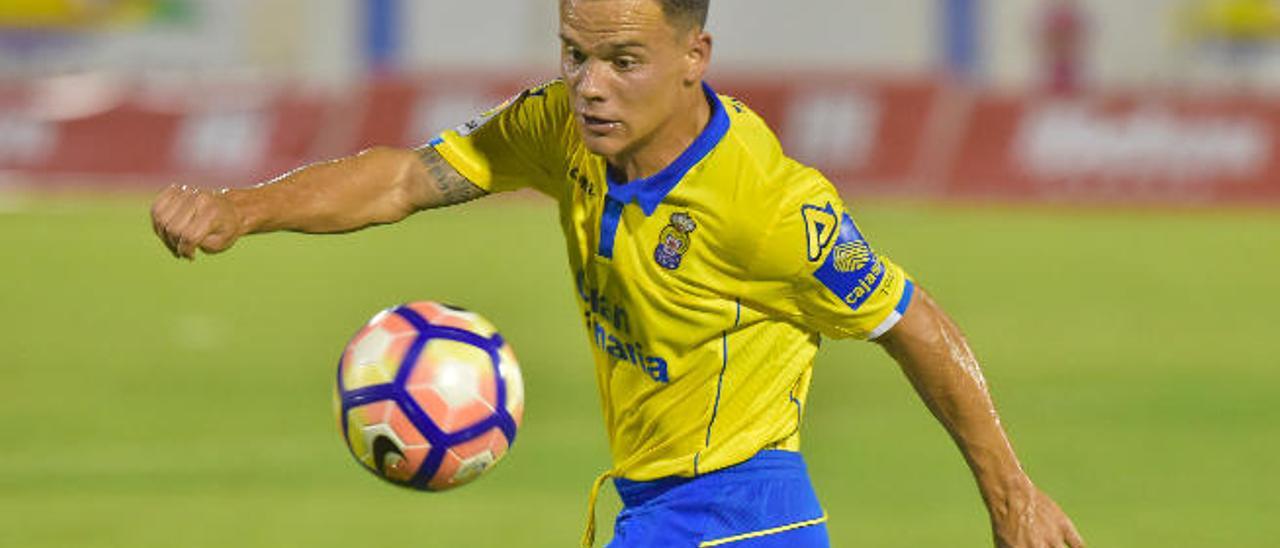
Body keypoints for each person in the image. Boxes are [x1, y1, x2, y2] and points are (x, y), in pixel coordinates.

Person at [150, 1, 1085, 546]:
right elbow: (404, 177)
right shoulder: (563, 129)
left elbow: (909, 318)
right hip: (661, 510)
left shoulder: (765, 205)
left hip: (736, 514)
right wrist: (241, 209)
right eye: (575, 52)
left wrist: (1011, 494)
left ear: (694, 58)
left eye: (623, 60)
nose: (591, 83)